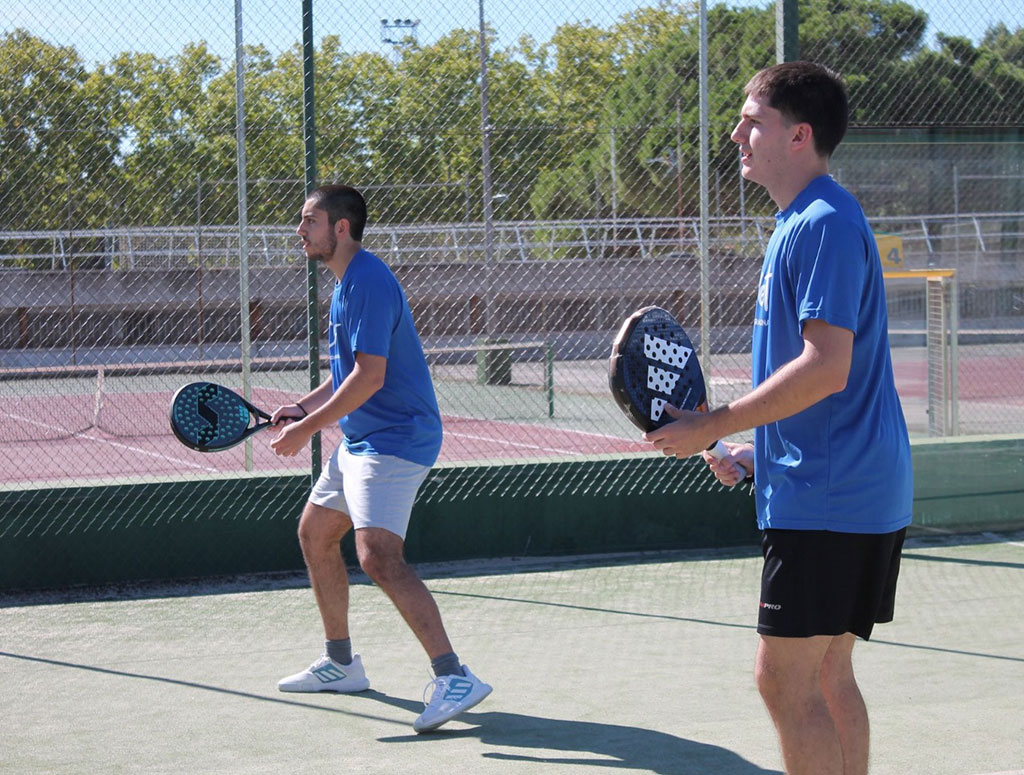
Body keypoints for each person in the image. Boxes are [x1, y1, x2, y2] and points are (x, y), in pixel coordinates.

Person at [645, 62, 912, 775]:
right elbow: (826, 384)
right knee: (828, 674)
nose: (735, 133)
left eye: (751, 120)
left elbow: (828, 367)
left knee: (782, 678)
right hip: (849, 487)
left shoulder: (822, 223)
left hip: (829, 498)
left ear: (798, 136)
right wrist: (758, 447)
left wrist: (708, 423)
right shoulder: (805, 221)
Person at [269, 184, 492, 733]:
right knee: (316, 533)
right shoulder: (345, 286)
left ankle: (454, 675)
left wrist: (306, 431)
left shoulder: (367, 279)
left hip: (397, 436)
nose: (300, 231)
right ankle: (341, 663)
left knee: (377, 556)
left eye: (309, 221)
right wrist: (302, 407)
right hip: (364, 438)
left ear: (339, 228)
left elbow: (372, 377)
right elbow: (348, 374)